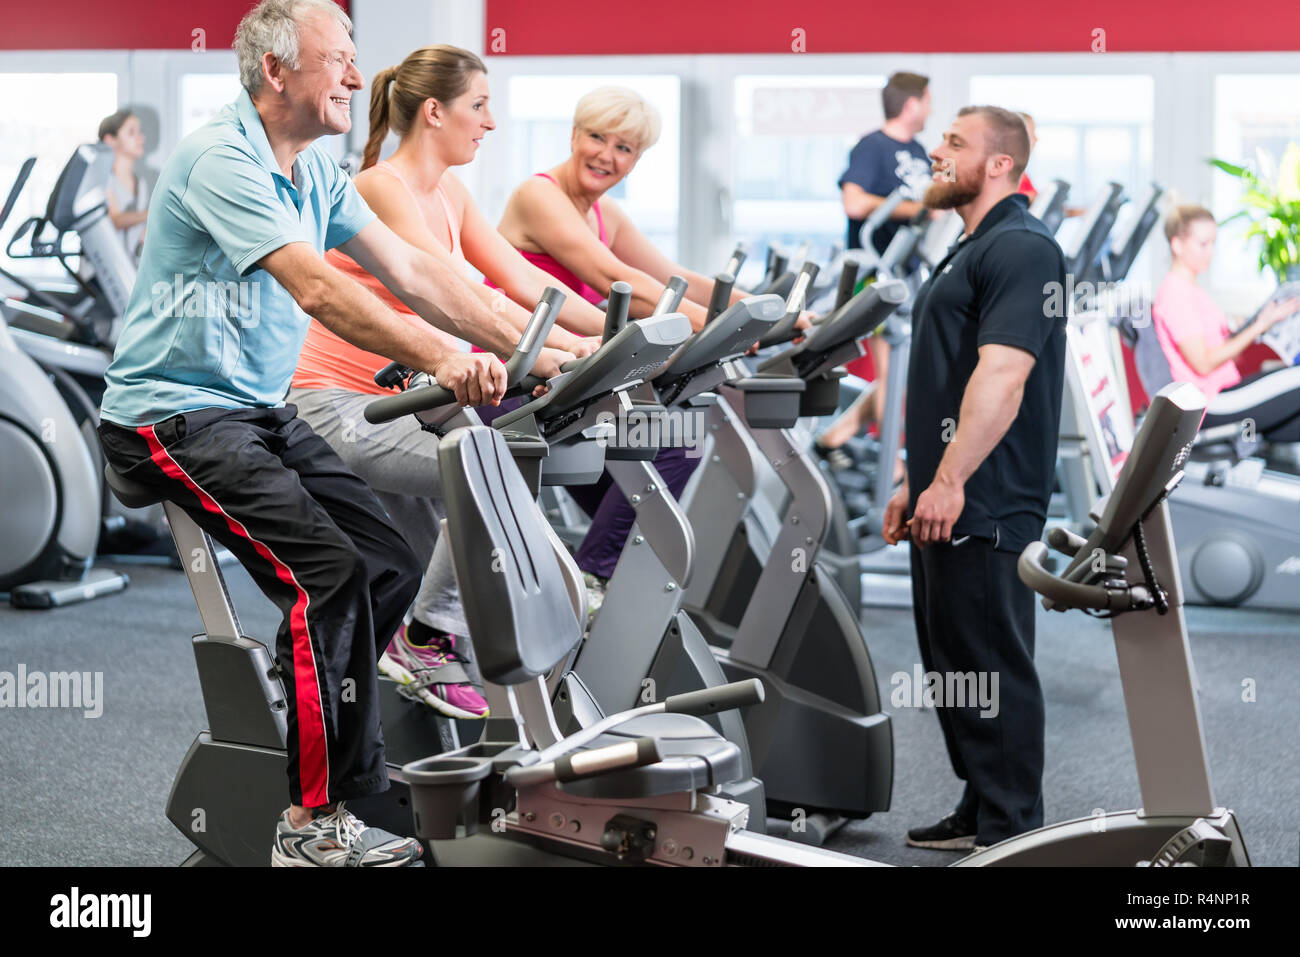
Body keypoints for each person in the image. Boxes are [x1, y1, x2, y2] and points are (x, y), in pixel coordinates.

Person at [96, 0, 568, 867]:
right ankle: (306, 825)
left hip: (258, 407)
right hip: (170, 415)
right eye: (339, 57)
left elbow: (416, 271)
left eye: (356, 58)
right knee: (329, 579)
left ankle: (336, 762)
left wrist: (546, 351)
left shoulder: (314, 171)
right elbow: (319, 289)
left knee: (381, 565)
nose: (357, 75)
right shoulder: (221, 159)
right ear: (276, 71)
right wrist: (441, 356)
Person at [287, 44, 604, 720]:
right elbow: (452, 293)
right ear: (435, 112)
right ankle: (423, 646)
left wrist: (597, 338)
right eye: (479, 106)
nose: (490, 123)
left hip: (401, 405)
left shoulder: (451, 192)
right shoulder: (380, 187)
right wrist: (552, 356)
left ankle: (391, 716)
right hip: (338, 407)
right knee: (490, 481)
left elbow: (522, 283)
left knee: (436, 555)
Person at [881, 105, 1068, 854]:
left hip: (988, 495)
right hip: (948, 488)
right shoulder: (969, 245)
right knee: (954, 660)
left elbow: (1003, 373)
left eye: (954, 142)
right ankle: (981, 800)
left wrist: (953, 478)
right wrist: (912, 476)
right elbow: (946, 374)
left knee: (992, 659)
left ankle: (1013, 825)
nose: (935, 151)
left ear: (999, 164)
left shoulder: (1022, 248)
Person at [494, 85, 751, 606]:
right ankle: (593, 583)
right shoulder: (538, 195)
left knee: (665, 450)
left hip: (572, 384)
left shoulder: (604, 213)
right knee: (675, 444)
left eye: (624, 148)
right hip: (519, 382)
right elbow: (610, 273)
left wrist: (756, 310)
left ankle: (600, 582)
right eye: (596, 137)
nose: (606, 155)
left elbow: (671, 274)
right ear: (573, 135)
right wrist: (709, 326)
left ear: (637, 160)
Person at [816, 71, 934, 464]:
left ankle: (837, 435)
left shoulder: (920, 151)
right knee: (894, 373)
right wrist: (913, 209)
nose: (931, 108)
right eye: (928, 100)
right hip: (877, 273)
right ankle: (895, 468)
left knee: (902, 374)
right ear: (912, 103)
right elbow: (853, 203)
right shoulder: (872, 146)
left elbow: (938, 203)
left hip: (907, 269)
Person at [1153, 204, 1300, 437]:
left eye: (1213, 243)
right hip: (1213, 401)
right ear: (1177, 244)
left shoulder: (1192, 289)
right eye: (1203, 244)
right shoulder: (1175, 294)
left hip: (1227, 389)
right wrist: (1259, 326)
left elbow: (1218, 347)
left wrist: (1247, 326)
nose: (1210, 251)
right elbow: (1203, 363)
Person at [97, 109, 150, 262]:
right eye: (131, 132)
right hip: (102, 270)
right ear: (110, 140)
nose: (141, 138)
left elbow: (138, 228)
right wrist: (153, 213)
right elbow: (115, 220)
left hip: (129, 268)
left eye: (140, 132)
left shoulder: (140, 183)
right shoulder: (102, 178)